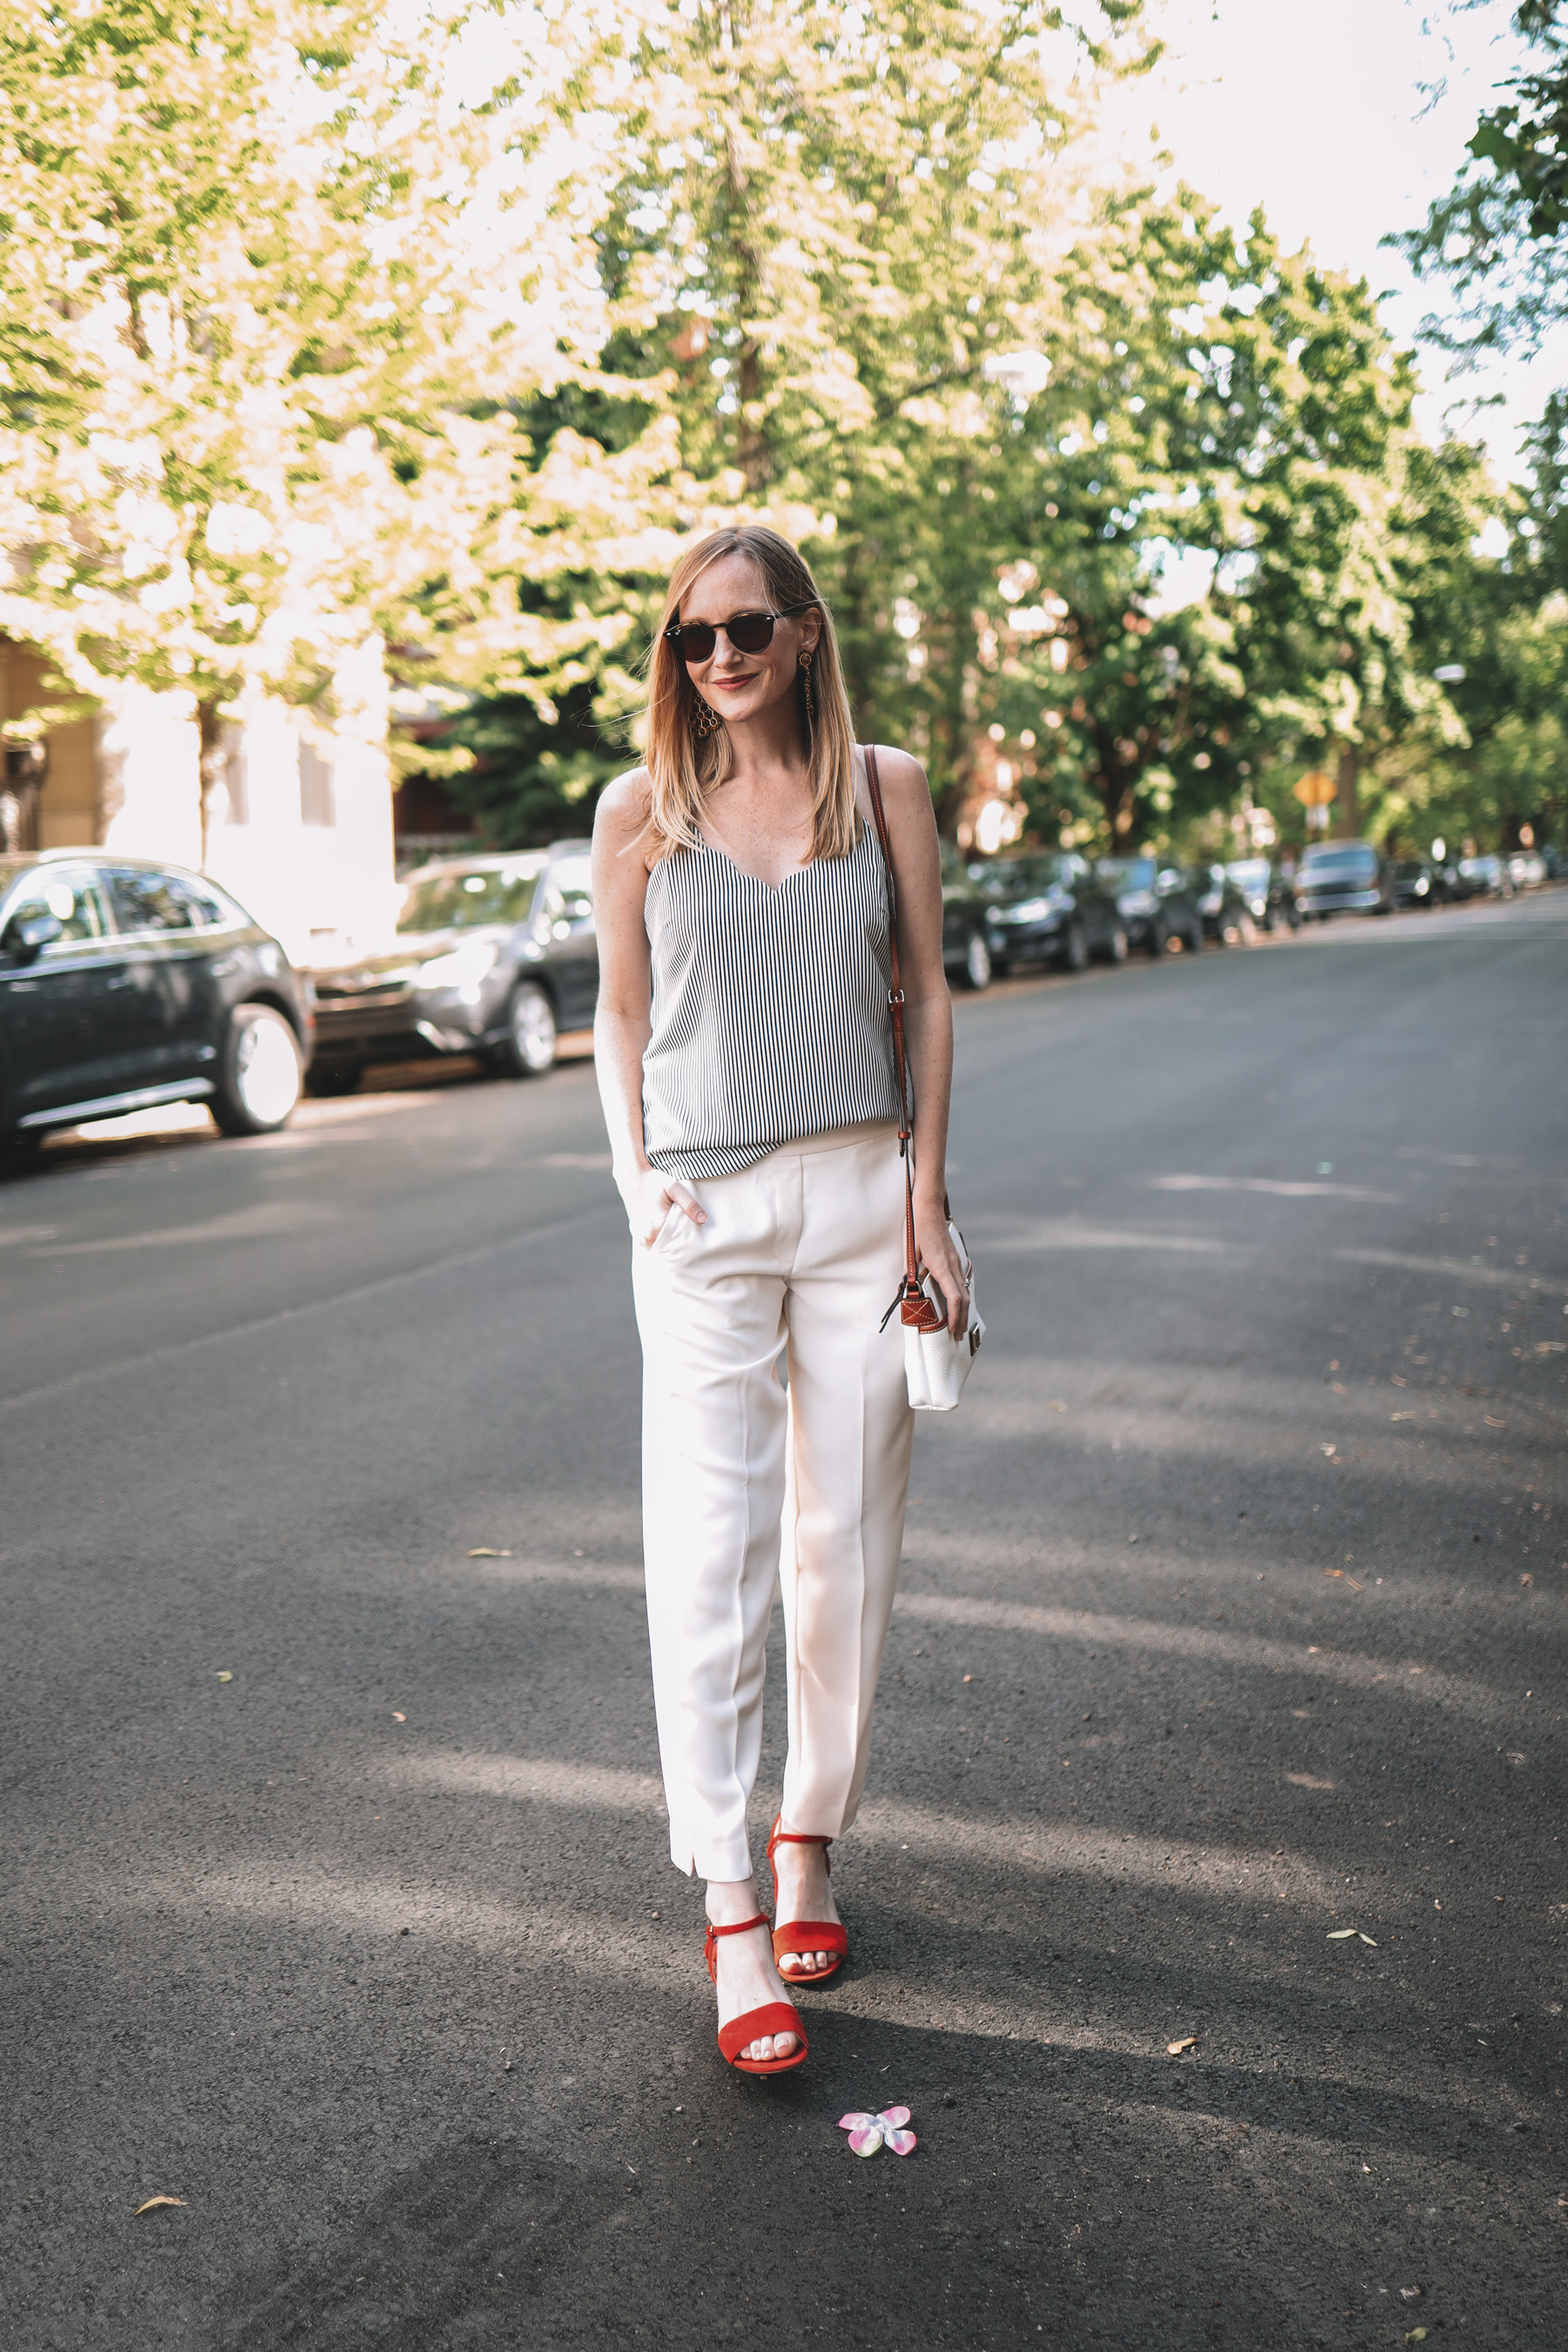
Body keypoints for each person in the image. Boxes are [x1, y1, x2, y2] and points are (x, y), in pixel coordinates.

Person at [591, 524, 968, 2076]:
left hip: (860, 1193)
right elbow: (620, 1017)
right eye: (691, 638)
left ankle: (811, 1824)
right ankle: (731, 1899)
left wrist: (927, 1197)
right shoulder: (639, 811)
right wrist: (631, 1180)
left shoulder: (883, 788)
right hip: (702, 1209)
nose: (720, 658)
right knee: (711, 1550)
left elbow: (929, 989)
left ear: (806, 633)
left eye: (747, 628)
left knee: (842, 1546)